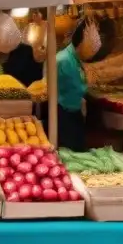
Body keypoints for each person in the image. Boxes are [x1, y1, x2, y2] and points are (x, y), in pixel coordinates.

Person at [53, 21, 93, 151]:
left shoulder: (73, 57)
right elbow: (75, 87)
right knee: (70, 152)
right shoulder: (65, 60)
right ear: (81, 43)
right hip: (65, 114)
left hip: (72, 111)